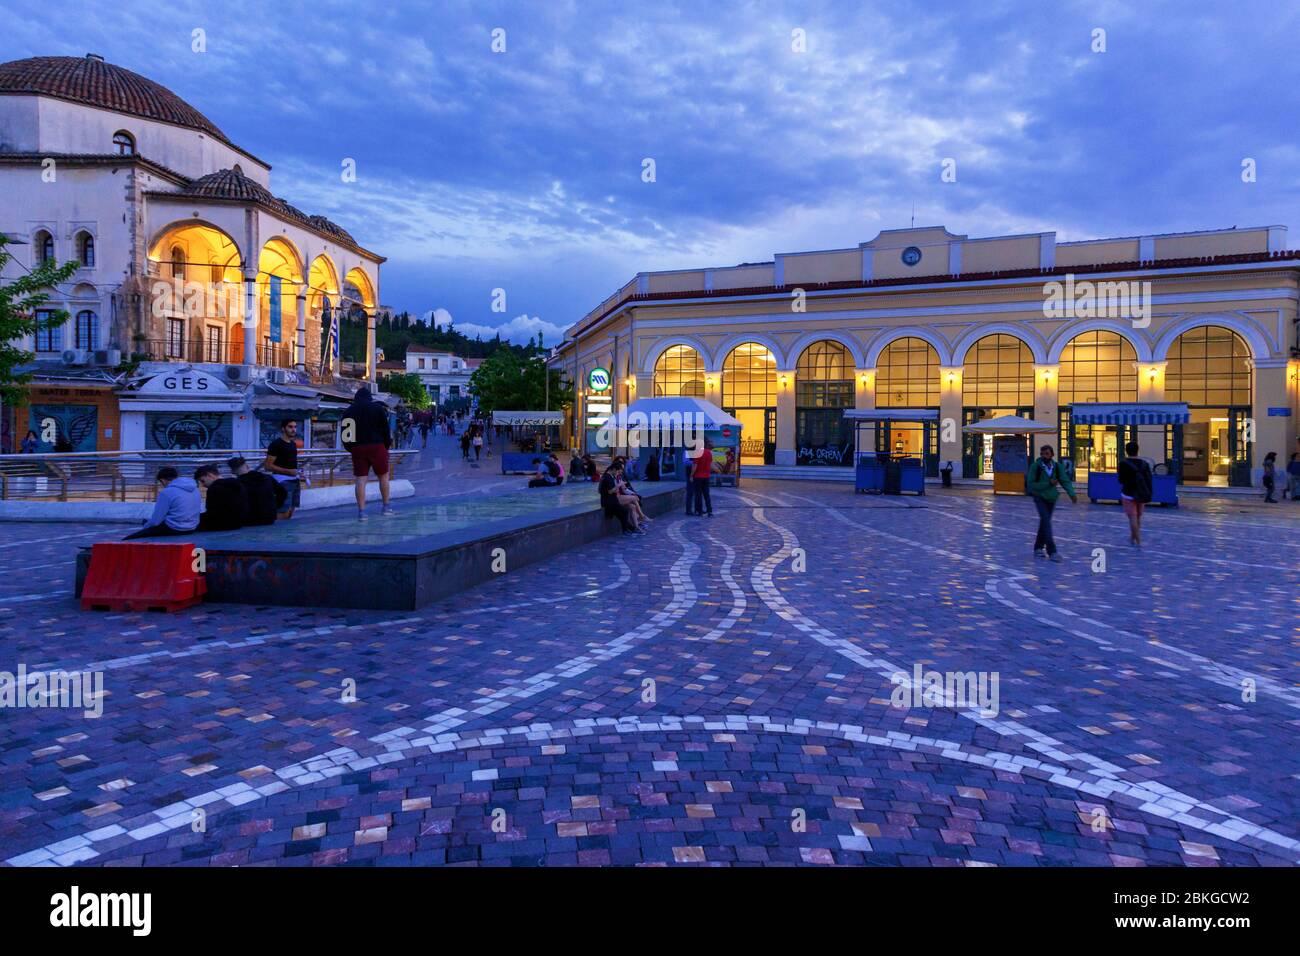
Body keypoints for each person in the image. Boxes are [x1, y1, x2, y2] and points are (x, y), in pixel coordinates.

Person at [342, 386, 395, 520]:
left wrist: (352, 448)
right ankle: (386, 507)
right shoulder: (378, 409)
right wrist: (385, 446)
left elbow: (346, 436)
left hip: (358, 448)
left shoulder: (348, 412)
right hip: (377, 446)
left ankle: (362, 512)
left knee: (360, 479)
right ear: (370, 398)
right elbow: (386, 430)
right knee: (383, 477)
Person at [1026, 444, 1077, 562]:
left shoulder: (1057, 467)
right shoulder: (1036, 466)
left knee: (1045, 522)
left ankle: (1038, 548)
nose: (1044, 456)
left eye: (1047, 454)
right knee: (1046, 522)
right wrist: (1048, 483)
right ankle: (1052, 551)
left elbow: (1065, 480)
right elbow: (1031, 484)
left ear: (1052, 455)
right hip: (1039, 497)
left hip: (1052, 498)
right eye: (1042, 454)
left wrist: (1071, 494)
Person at [124, 467, 200, 539]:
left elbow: (157, 519)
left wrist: (147, 527)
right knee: (148, 523)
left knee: (131, 537)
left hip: (175, 528)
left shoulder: (167, 492)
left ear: (163, 480)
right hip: (192, 527)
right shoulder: (195, 488)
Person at [1116, 441, 1152, 548]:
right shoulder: (1144, 464)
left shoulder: (1123, 464)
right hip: (1141, 493)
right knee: (1138, 518)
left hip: (1128, 493)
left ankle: (1138, 541)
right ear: (1137, 450)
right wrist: (1149, 492)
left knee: (1132, 518)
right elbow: (1149, 479)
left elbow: (1121, 480)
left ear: (1126, 451)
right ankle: (1133, 538)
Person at [264, 420, 302, 520]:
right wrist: (288, 472)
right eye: (290, 427)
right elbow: (268, 466)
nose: (293, 429)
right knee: (282, 511)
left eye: (295, 427)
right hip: (282, 482)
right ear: (283, 428)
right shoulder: (276, 444)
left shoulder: (293, 444)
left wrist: (298, 474)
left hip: (295, 480)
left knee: (291, 511)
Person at [195, 464, 248, 532]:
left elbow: (212, 513)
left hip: (223, 525)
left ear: (210, 475)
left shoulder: (214, 489)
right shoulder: (237, 484)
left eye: (202, 481)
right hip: (239, 523)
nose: (202, 485)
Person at [229, 456, 279, 526]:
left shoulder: (236, 484)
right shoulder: (267, 477)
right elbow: (283, 493)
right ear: (247, 466)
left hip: (250, 520)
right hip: (270, 518)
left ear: (233, 471)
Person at [600, 462, 640, 535]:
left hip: (612, 500)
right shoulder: (607, 478)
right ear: (614, 469)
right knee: (624, 511)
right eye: (617, 471)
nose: (618, 473)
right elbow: (610, 491)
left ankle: (631, 528)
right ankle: (628, 529)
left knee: (627, 509)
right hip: (609, 502)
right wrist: (619, 485)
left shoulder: (610, 476)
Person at [688, 439, 714, 517]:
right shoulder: (709, 452)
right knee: (706, 494)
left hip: (698, 477)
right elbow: (710, 464)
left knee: (698, 494)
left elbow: (695, 466)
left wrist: (691, 475)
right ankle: (709, 511)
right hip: (706, 477)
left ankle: (699, 511)